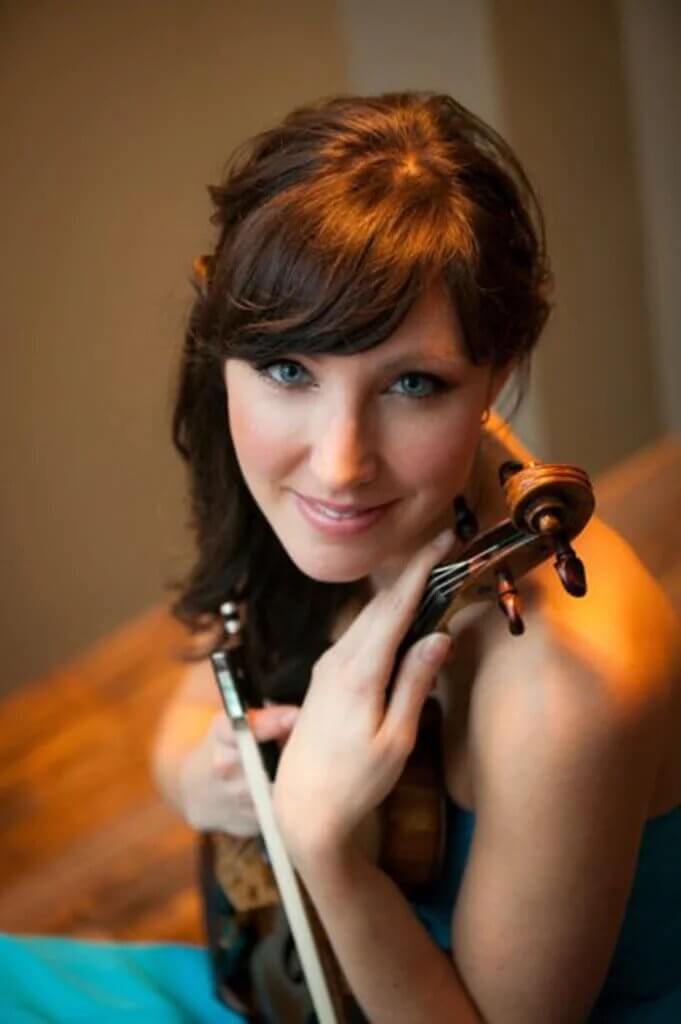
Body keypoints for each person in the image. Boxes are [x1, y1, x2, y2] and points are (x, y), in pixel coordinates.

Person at [151, 91, 681, 1023]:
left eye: (411, 384)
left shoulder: (567, 689)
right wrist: (206, 779)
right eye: (288, 370)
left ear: (497, 370)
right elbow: (189, 711)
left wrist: (321, 844)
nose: (338, 463)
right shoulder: (301, 509)